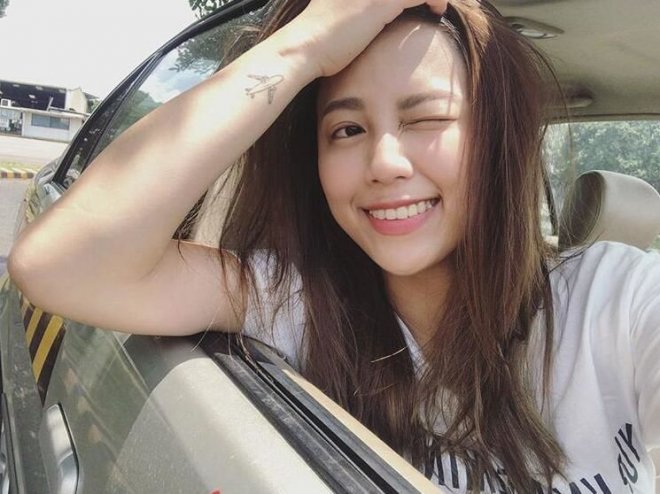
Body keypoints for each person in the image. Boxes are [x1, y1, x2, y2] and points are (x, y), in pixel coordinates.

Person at [8, 0, 660, 492]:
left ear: (502, 143)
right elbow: (61, 265)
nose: (384, 162)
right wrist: (304, 45)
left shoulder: (620, 299)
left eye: (426, 118)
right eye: (346, 129)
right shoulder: (292, 302)